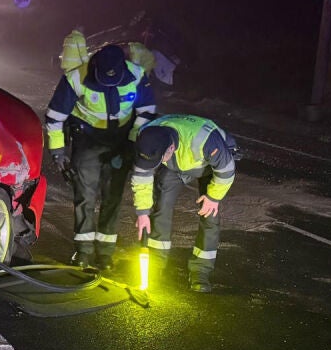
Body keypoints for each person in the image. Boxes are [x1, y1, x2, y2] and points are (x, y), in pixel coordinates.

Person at [45, 44, 156, 271]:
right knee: (85, 195)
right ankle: (83, 250)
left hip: (121, 139)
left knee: (113, 196)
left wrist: (132, 143)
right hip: (87, 140)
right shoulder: (76, 78)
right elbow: (55, 117)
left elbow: (147, 111)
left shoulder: (135, 75)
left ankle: (105, 252)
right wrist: (58, 152)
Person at [131, 114, 237, 293]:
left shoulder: (205, 140)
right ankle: (155, 264)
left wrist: (213, 198)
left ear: (171, 148)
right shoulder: (147, 137)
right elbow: (142, 175)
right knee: (161, 205)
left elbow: (226, 170)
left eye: (160, 159)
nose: (158, 164)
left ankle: (200, 270)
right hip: (176, 164)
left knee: (209, 215)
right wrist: (142, 212)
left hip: (208, 165)